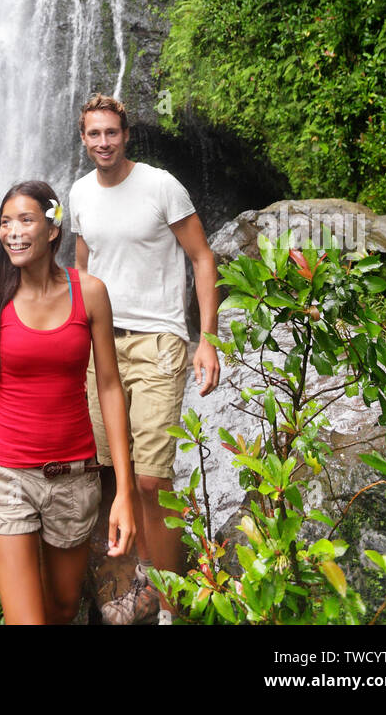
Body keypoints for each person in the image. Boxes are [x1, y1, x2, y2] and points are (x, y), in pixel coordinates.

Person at [0, 178, 137, 625]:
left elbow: (109, 386)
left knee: (63, 609)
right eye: (5, 222)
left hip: (73, 477)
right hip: (7, 474)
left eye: (25, 220)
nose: (12, 231)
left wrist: (123, 491)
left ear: (52, 229)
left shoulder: (89, 292)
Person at [70, 94, 221, 625]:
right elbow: (83, 266)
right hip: (101, 343)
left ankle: (171, 605)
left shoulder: (160, 186)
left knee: (151, 480)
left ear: (126, 134)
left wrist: (207, 338)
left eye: (112, 132)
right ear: (83, 138)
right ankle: (123, 587)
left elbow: (202, 257)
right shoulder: (80, 193)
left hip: (159, 341)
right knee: (109, 471)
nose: (104, 142)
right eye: (94, 134)